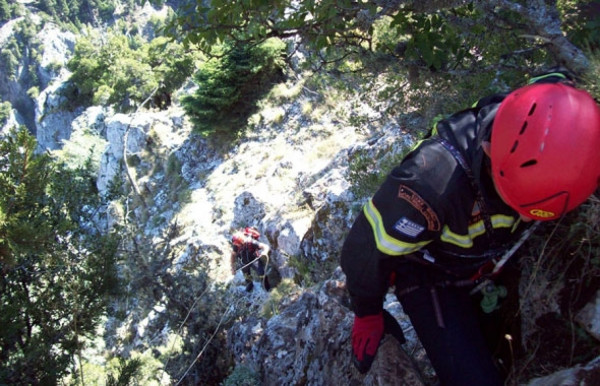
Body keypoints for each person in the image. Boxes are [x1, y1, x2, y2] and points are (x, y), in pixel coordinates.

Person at [341, 69, 600, 385]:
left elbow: (555, 90)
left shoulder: (552, 108)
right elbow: (367, 246)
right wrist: (367, 311)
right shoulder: (430, 183)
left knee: (504, 355)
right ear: (491, 154)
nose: (531, 219)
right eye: (522, 207)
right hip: (430, 272)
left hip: (492, 256)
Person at [230, 227, 271, 292]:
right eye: (236, 245)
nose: (237, 246)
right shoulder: (236, 246)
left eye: (238, 244)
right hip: (243, 262)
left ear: (241, 241)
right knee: (247, 276)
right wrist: (232, 267)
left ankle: (266, 286)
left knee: (261, 272)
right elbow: (233, 255)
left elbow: (265, 246)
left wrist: (265, 252)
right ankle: (250, 284)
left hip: (254, 260)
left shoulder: (251, 242)